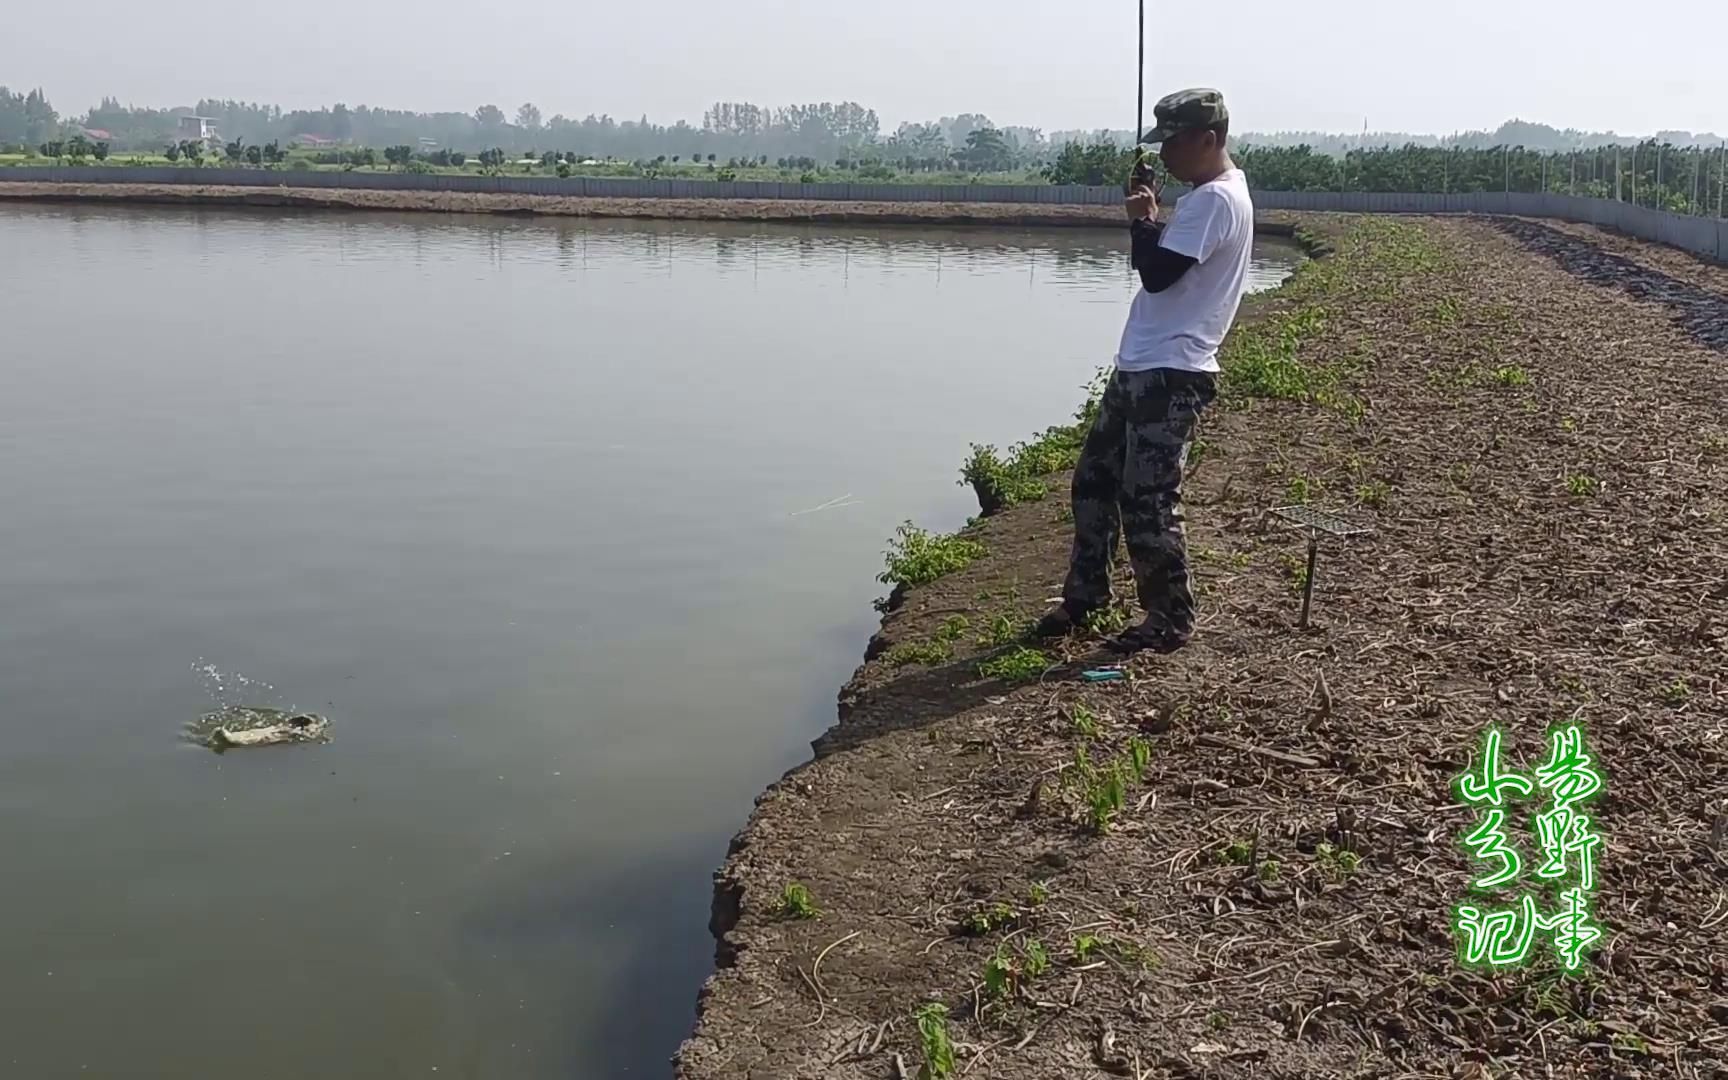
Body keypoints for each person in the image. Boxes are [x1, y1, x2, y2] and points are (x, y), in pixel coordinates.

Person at [1035, 87, 1254, 654]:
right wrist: (1151, 214)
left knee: (1149, 498)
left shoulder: (1213, 200)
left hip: (1172, 370)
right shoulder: (1221, 194)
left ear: (1209, 139)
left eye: (1175, 143)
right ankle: (1085, 597)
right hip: (1143, 364)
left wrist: (1141, 219)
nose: (1167, 156)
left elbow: (1157, 275)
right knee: (1095, 481)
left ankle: (1170, 618)